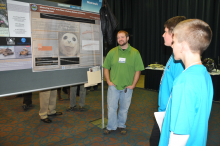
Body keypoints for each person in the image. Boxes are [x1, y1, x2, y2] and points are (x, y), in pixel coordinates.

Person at [159, 19, 213, 146]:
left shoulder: (184, 82)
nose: (172, 45)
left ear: (182, 46)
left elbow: (179, 135)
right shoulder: (204, 74)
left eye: (175, 41)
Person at [149, 16, 186, 146]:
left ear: (174, 34)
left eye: (165, 31)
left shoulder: (180, 61)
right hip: (165, 112)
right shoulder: (174, 56)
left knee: (155, 142)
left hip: (170, 115)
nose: (163, 35)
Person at [103, 30, 145, 135]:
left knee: (124, 108)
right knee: (111, 108)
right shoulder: (112, 52)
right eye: (118, 38)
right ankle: (111, 126)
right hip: (113, 86)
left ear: (127, 38)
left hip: (127, 88)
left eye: (122, 37)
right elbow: (106, 67)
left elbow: (138, 70)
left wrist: (133, 85)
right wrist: (108, 81)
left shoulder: (135, 53)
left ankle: (121, 125)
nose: (120, 39)